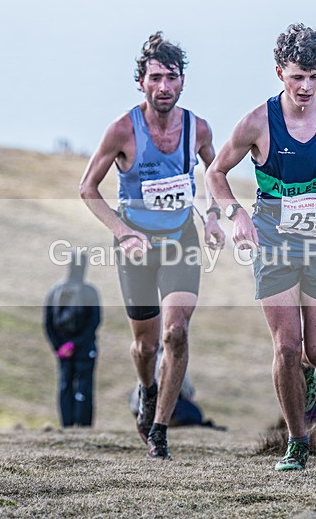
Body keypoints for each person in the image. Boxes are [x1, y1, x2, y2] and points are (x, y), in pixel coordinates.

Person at [206, 23, 316, 470]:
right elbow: (215, 173)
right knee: (287, 348)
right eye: (298, 76)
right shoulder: (257, 123)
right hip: (273, 242)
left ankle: (309, 375)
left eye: (315, 76)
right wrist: (235, 213)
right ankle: (297, 441)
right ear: (280, 72)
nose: (306, 86)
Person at [79, 32, 225, 459]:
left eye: (172, 78)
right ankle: (146, 390)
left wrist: (213, 217)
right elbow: (88, 188)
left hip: (181, 237)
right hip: (136, 246)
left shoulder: (198, 128)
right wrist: (122, 232)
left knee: (175, 333)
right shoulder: (123, 129)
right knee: (145, 345)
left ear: (183, 82)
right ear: (141, 82)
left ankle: (159, 430)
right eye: (156, 78)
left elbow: (214, 177)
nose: (164, 87)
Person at [44, 251, 101, 427]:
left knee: (65, 385)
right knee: (84, 385)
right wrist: (75, 344)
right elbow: (94, 322)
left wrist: (60, 346)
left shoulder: (54, 291)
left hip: (63, 349)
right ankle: (83, 425)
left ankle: (66, 424)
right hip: (85, 348)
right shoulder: (90, 292)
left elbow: (47, 323)